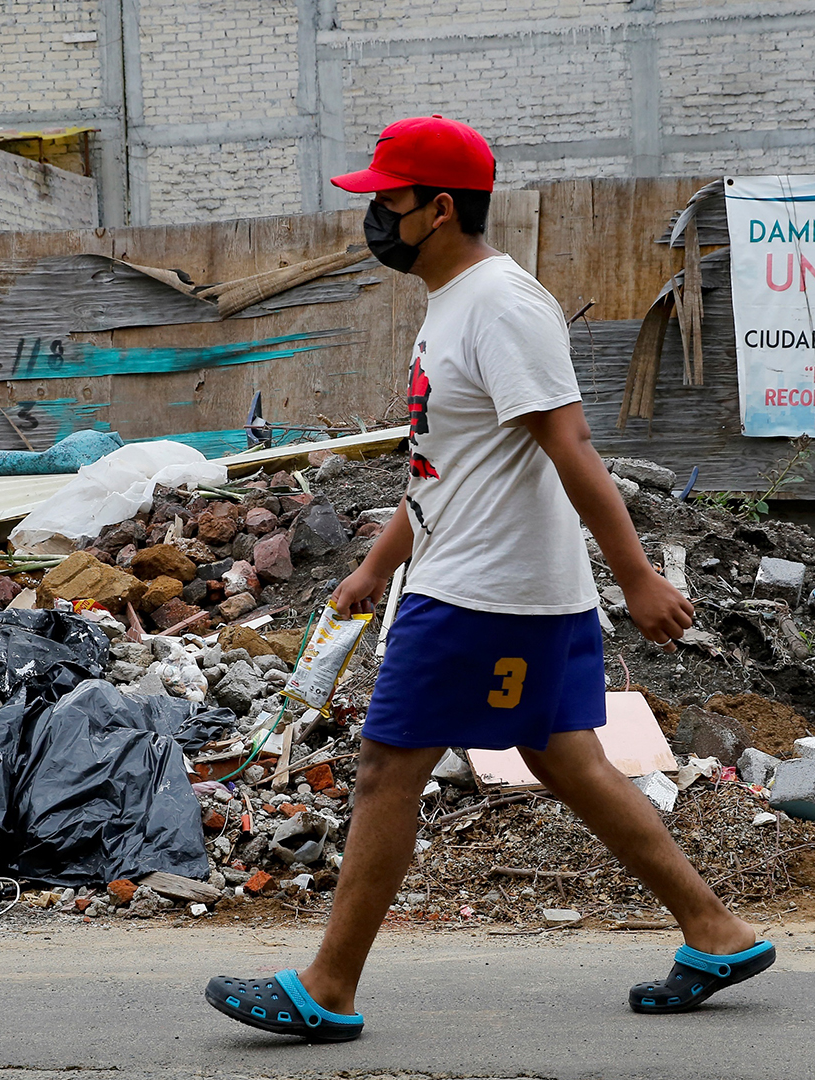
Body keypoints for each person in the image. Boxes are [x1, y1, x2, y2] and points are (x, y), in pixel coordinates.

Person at [205, 115, 771, 1042]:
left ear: (436, 210)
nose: (373, 216)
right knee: (567, 759)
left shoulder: (503, 305)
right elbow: (447, 468)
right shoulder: (455, 303)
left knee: (388, 766)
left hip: (483, 593)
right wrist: (371, 566)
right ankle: (716, 932)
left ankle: (327, 989)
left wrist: (636, 578)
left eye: (386, 200)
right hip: (494, 583)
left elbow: (572, 444)